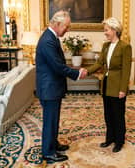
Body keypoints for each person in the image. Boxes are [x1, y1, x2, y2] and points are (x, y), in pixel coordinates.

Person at [80, 17, 132, 152]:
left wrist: (123, 89)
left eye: (107, 30)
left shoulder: (125, 47)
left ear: (114, 30)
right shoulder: (105, 46)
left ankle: (119, 141)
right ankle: (110, 138)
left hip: (118, 85)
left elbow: (126, 70)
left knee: (118, 114)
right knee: (108, 114)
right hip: (106, 84)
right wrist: (87, 70)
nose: (105, 33)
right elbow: (99, 63)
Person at [35, 10, 81, 162]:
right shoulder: (48, 40)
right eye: (66, 26)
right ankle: (48, 153)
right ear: (57, 24)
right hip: (49, 89)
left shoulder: (51, 37)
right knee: (50, 121)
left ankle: (53, 144)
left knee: (53, 119)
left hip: (51, 88)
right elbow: (57, 66)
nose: (67, 30)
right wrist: (77, 73)